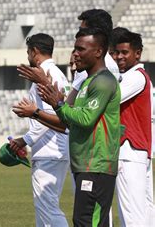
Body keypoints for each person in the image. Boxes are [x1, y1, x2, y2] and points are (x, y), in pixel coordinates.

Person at [37, 27, 121, 227]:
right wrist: (55, 105)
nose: (75, 54)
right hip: (85, 164)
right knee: (83, 221)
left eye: (81, 49)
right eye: (75, 49)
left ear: (98, 52)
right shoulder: (87, 82)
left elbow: (85, 119)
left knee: (88, 222)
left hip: (97, 165)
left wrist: (59, 104)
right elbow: (69, 120)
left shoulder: (103, 81)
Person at [10, 33, 70, 227]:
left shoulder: (45, 76)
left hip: (49, 151)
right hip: (55, 150)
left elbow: (48, 115)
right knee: (44, 209)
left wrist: (24, 140)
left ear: (34, 51)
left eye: (28, 52)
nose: (27, 56)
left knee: (48, 208)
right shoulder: (58, 73)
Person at [111, 28, 154, 226]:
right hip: (137, 150)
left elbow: (108, 99)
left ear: (138, 53)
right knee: (144, 210)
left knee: (131, 214)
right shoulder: (135, 76)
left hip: (129, 149)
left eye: (124, 53)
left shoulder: (135, 76)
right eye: (117, 52)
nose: (119, 57)